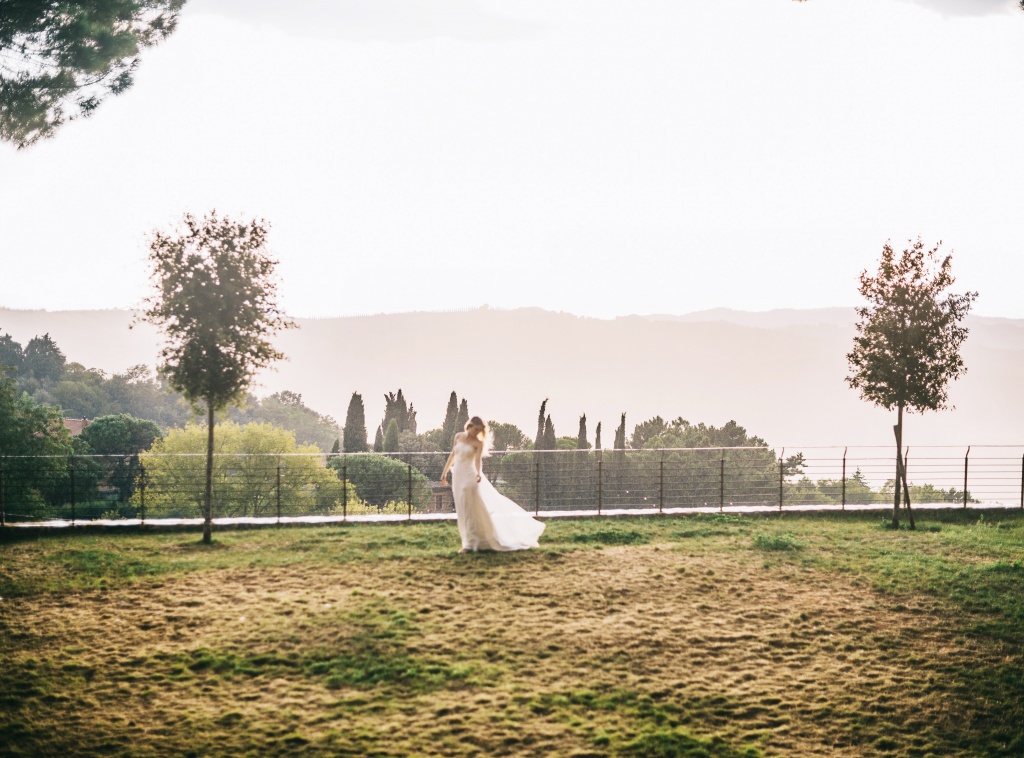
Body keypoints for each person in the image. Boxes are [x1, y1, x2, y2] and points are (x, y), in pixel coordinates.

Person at [440, 416, 545, 553]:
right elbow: (453, 455)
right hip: (458, 476)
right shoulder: (458, 436)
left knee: (470, 508)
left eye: (479, 430)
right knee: (462, 509)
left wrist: (478, 473)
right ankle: (471, 540)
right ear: (469, 426)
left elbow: (478, 461)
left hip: (470, 476)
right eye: (475, 429)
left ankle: (470, 544)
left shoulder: (478, 443)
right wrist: (444, 472)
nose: (476, 432)